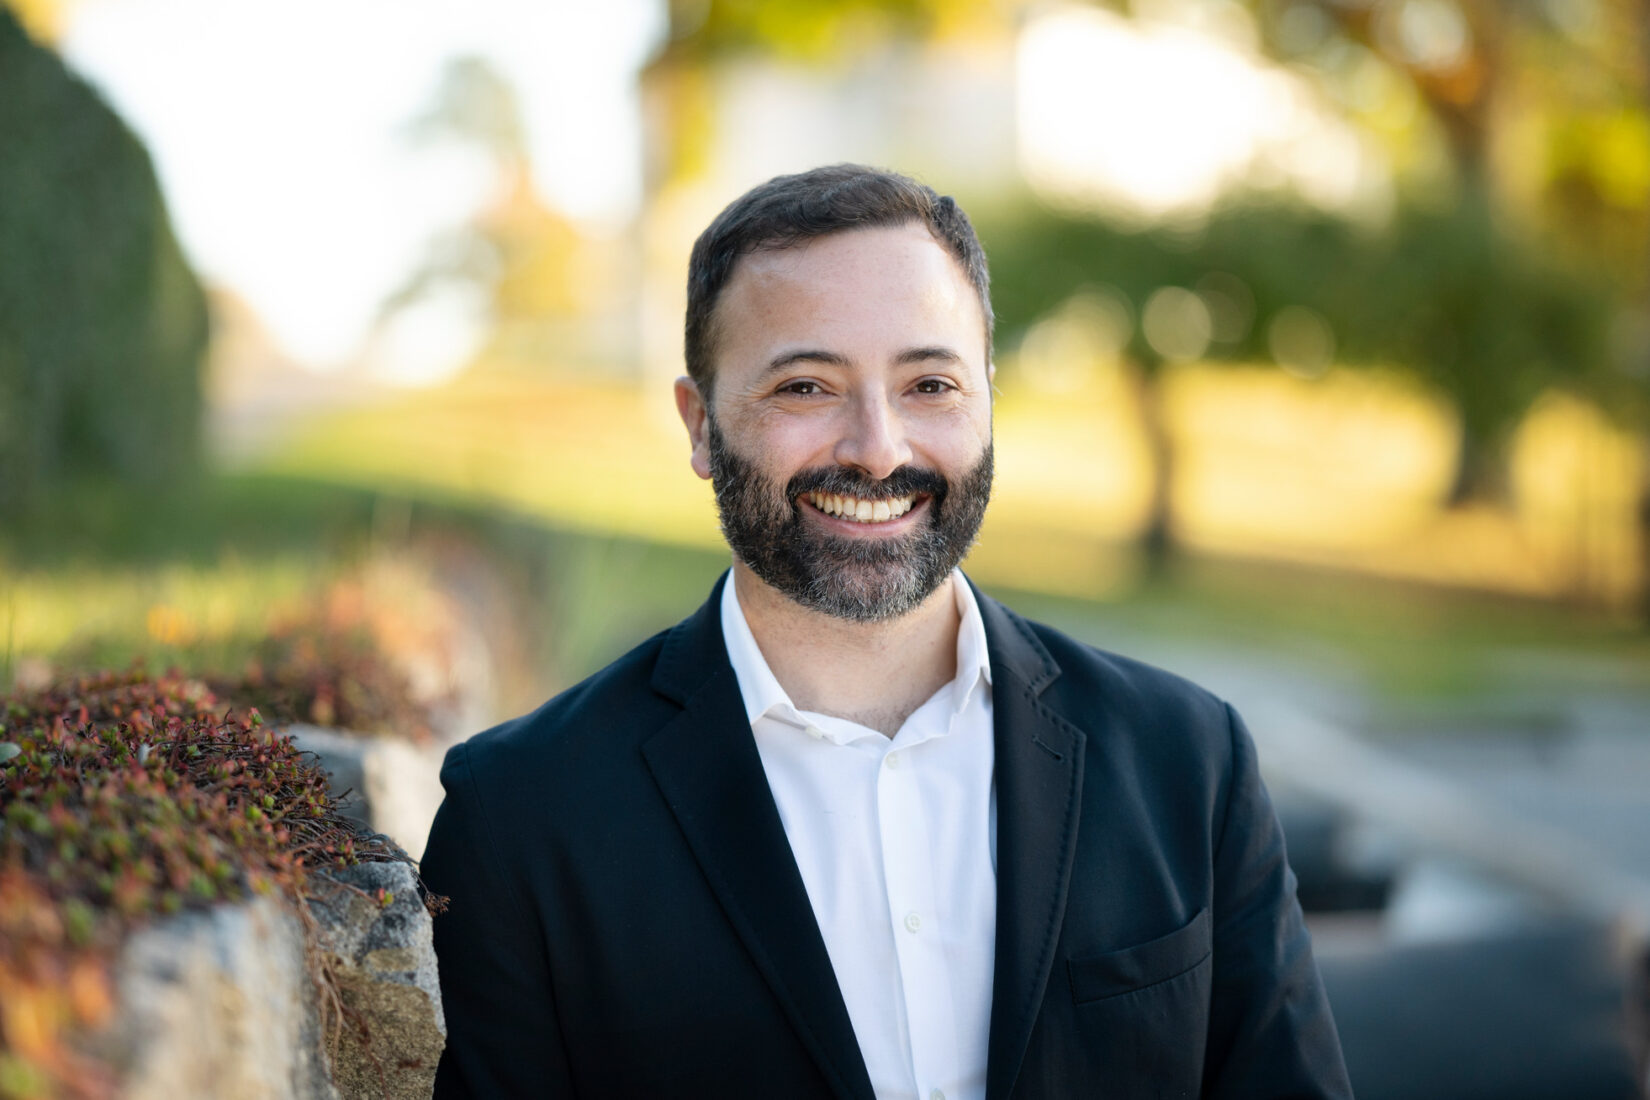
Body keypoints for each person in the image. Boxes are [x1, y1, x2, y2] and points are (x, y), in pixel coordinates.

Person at [421, 164, 1353, 1100]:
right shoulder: (521, 820)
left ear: (987, 399)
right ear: (701, 426)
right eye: (805, 387)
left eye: (930, 383)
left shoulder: (1189, 763)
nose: (878, 448)